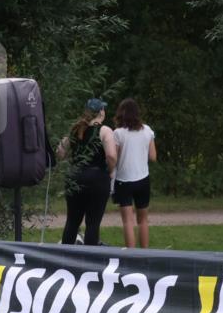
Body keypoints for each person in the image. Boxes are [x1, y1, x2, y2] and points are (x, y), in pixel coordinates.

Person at [56, 98, 117, 246]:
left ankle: (64, 256)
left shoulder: (76, 129)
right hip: (97, 178)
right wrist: (110, 170)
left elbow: (60, 152)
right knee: (92, 222)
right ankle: (89, 260)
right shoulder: (104, 130)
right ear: (101, 112)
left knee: (72, 221)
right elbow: (111, 155)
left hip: (75, 177)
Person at [112, 98, 156, 248]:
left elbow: (114, 158)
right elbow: (153, 156)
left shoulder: (117, 133)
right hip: (143, 180)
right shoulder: (147, 130)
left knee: (127, 221)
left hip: (124, 181)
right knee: (143, 219)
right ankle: (145, 254)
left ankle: (131, 257)